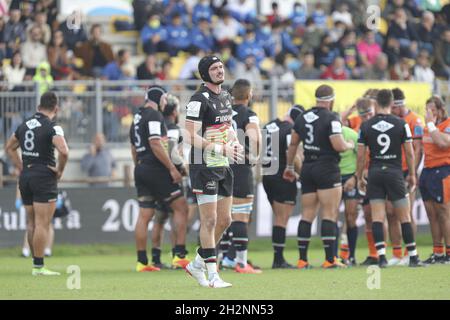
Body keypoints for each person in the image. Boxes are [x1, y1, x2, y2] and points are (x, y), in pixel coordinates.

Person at [184, 55, 243, 288]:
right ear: (205, 73)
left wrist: (235, 141)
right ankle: (213, 275)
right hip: (204, 165)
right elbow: (189, 135)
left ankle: (197, 263)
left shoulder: (226, 96)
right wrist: (219, 148)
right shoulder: (198, 99)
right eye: (214, 68)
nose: (220, 71)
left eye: (221, 67)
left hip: (222, 163)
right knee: (209, 220)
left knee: (225, 219)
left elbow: (226, 127)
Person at [284, 85, 354, 269]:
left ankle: (302, 260)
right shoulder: (332, 117)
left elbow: (293, 144)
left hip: (308, 168)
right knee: (329, 214)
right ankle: (330, 260)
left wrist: (290, 166)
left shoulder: (302, 116)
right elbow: (338, 145)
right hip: (327, 168)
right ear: (331, 100)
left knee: (307, 214)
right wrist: (349, 145)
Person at [356, 89, 425, 268]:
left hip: (375, 173)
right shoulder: (401, 124)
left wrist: (359, 177)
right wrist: (411, 174)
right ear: (392, 103)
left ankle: (381, 258)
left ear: (376, 103)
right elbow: (410, 152)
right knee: (404, 216)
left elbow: (361, 155)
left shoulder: (366, 125)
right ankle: (413, 257)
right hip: (395, 173)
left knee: (378, 217)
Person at [5, 91, 69, 275]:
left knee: (32, 223)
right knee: (43, 224)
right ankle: (39, 266)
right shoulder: (53, 127)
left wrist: (20, 166)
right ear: (56, 109)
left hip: (26, 176)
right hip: (44, 176)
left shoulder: (24, 125)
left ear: (38, 107)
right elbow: (64, 152)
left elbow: (9, 147)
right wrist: (60, 171)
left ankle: (36, 264)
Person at [130, 85, 189, 272]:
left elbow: (133, 147)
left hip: (140, 167)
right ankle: (179, 256)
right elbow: (156, 143)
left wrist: (139, 166)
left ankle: (142, 262)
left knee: (145, 215)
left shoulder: (137, 118)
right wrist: (172, 168)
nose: (165, 103)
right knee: (181, 207)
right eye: (164, 99)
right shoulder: (154, 115)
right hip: (156, 168)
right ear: (158, 98)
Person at [218, 79, 262, 274]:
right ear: (248, 95)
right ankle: (242, 264)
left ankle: (222, 259)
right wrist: (253, 156)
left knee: (223, 217)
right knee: (241, 217)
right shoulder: (249, 115)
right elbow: (254, 138)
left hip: (219, 167)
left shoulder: (220, 113)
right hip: (239, 168)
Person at [150, 93, 190, 269]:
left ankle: (156, 258)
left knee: (160, 217)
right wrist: (182, 167)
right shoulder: (172, 127)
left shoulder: (158, 125)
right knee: (181, 210)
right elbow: (173, 149)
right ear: (174, 110)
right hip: (169, 176)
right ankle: (179, 255)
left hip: (155, 175)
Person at [262, 105, 304, 269]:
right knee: (282, 219)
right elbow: (291, 154)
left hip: (268, 176)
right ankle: (278, 260)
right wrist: (299, 172)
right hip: (283, 176)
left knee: (278, 217)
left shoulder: (269, 125)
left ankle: (278, 258)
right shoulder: (290, 129)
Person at [386, 88, 424, 266]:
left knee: (406, 213)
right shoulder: (392, 121)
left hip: (406, 172)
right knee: (391, 213)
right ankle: (396, 253)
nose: (392, 111)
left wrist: (411, 171)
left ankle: (411, 252)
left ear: (401, 104)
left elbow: (417, 149)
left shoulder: (414, 120)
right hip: (392, 170)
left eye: (394, 107)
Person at [420, 96, 450, 264]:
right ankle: (437, 252)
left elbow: (443, 143)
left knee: (444, 213)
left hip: (443, 171)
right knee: (431, 214)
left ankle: (449, 253)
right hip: (427, 171)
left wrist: (431, 124)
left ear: (440, 111)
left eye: (432, 110)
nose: (429, 114)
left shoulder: (447, 125)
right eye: (427, 110)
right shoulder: (426, 128)